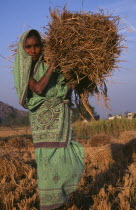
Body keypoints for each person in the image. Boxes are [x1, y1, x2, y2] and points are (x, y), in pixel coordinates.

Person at [13, 29, 84, 210]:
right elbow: (37, 89)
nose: (33, 50)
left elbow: (58, 86)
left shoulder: (45, 62)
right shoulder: (25, 68)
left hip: (58, 114)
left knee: (66, 152)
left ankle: (61, 195)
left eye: (36, 45)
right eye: (28, 47)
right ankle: (48, 201)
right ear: (23, 48)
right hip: (41, 117)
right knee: (46, 157)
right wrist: (52, 66)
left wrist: (70, 85)